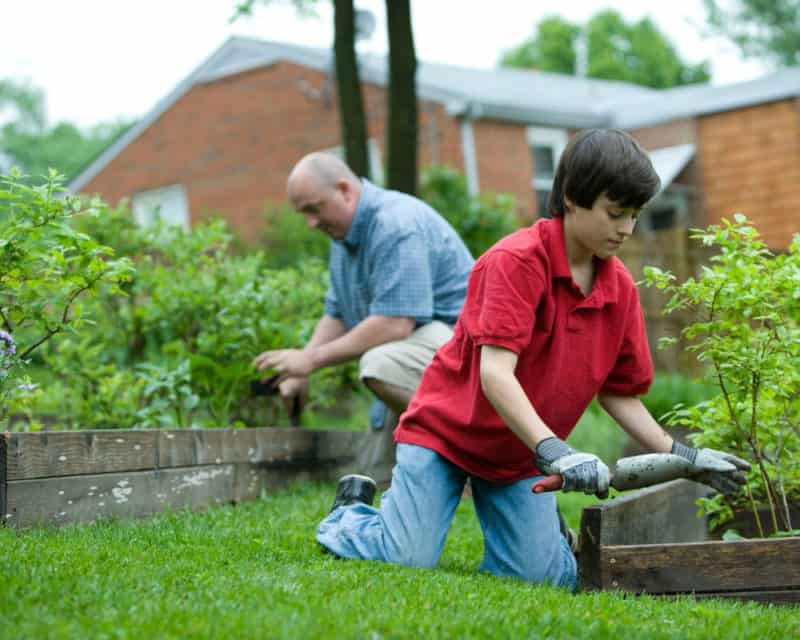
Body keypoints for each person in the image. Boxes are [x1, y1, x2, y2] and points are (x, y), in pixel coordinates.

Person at [315, 129, 751, 590]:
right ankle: (351, 514)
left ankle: (545, 540)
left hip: (520, 454)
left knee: (542, 579)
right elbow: (496, 374)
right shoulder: (514, 262)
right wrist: (557, 451)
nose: (626, 228)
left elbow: (619, 395)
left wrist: (686, 457)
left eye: (635, 215)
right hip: (446, 435)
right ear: (571, 198)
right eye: (615, 213)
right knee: (405, 557)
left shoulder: (619, 288)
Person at [253, 152, 474, 484]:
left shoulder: (395, 224)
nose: (310, 223)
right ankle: (436, 471)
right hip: (420, 354)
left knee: (380, 364)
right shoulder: (343, 238)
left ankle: (474, 456)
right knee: (378, 478)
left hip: (467, 354)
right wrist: (299, 369)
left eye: (314, 209)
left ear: (345, 190)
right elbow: (338, 312)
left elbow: (395, 323)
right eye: (303, 214)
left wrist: (311, 360)